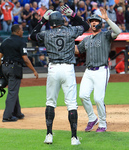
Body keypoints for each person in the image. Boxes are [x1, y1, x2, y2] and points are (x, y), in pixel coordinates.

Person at [30, 5, 89, 145]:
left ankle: (49, 135)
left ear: (51, 22)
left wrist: (42, 20)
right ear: (62, 21)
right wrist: (73, 15)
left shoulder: (47, 34)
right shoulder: (70, 31)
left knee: (50, 102)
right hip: (68, 69)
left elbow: (32, 35)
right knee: (71, 104)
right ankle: (74, 138)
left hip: (53, 69)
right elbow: (85, 26)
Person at [75, 9, 121, 132]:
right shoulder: (86, 39)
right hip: (89, 71)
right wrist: (66, 41)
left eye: (96, 21)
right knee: (83, 95)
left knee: (98, 99)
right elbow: (77, 50)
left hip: (102, 70)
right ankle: (92, 118)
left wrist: (107, 19)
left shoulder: (105, 35)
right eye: (92, 21)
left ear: (100, 23)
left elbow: (118, 31)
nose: (94, 23)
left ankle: (102, 123)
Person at [0, 24, 38, 122]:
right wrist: (34, 70)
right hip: (14, 68)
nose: (22, 31)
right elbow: (25, 59)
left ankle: (17, 113)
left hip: (5, 67)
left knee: (13, 89)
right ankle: (7, 116)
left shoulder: (5, 41)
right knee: (12, 91)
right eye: (21, 30)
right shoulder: (21, 42)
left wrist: (0, 71)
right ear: (18, 31)